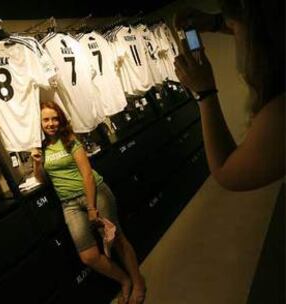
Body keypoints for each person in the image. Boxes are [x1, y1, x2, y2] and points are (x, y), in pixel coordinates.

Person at [32, 100, 146, 304]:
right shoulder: (41, 148)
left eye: (54, 118)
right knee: (88, 256)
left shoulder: (70, 141)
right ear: (39, 123)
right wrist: (36, 163)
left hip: (94, 194)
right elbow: (42, 179)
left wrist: (92, 207)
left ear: (61, 120)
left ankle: (138, 282)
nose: (51, 124)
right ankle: (124, 280)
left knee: (116, 239)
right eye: (46, 120)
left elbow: (87, 175)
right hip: (69, 204)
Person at [173, 0, 285, 191]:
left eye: (234, 27)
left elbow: (227, 173)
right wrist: (215, 23)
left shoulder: (280, 113)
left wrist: (205, 93)